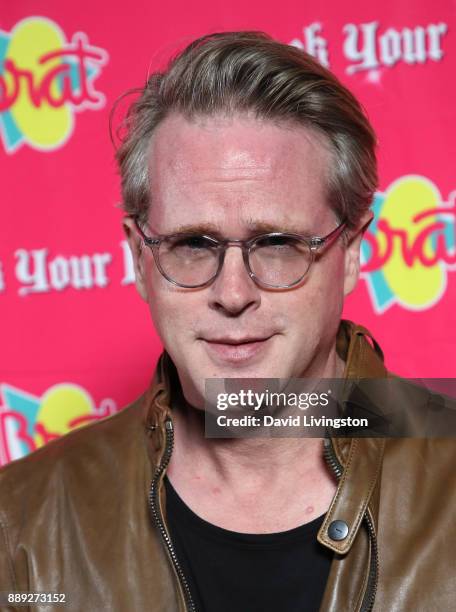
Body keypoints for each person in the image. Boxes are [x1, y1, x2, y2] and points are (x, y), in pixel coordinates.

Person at [0, 31, 454, 612]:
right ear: (141, 259)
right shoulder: (24, 526)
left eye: (278, 243)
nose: (233, 293)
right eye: (193, 244)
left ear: (353, 253)